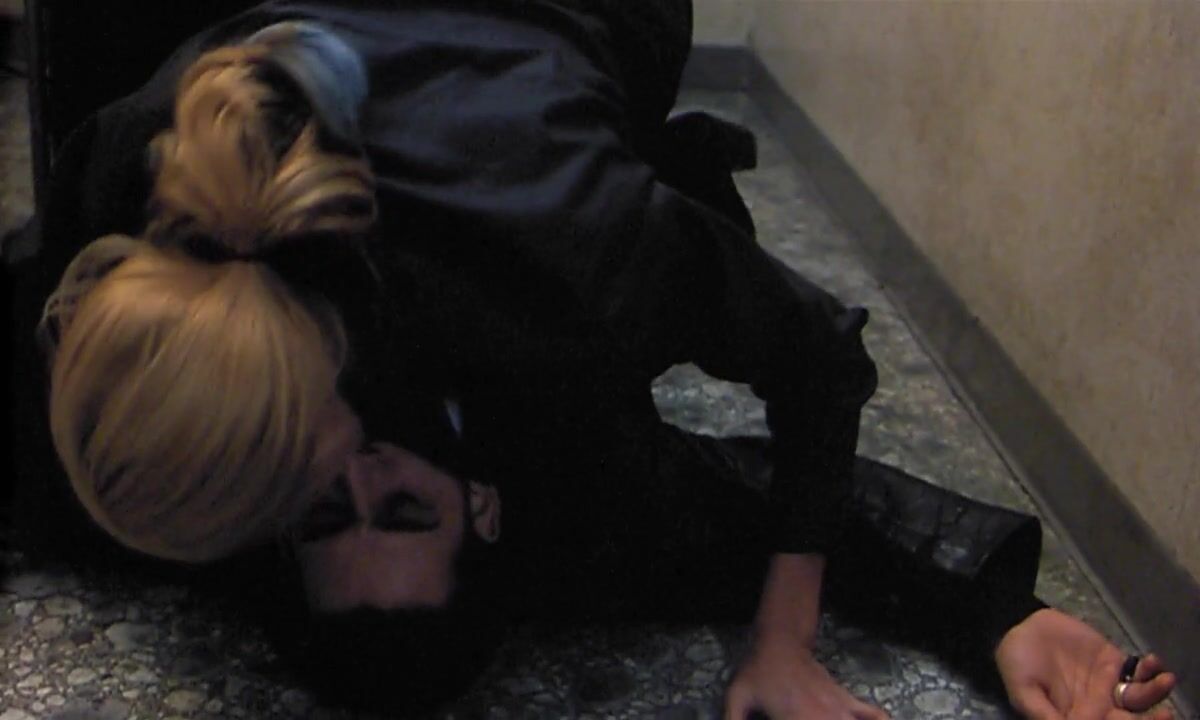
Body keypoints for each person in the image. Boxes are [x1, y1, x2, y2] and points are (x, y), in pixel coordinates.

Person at [5, 2, 1177, 718]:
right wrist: (1000, 620)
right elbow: (732, 511)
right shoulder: (121, 243)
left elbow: (818, 359)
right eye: (395, 506)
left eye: (317, 501)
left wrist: (786, 638)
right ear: (484, 504)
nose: (360, 479)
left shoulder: (559, 267)